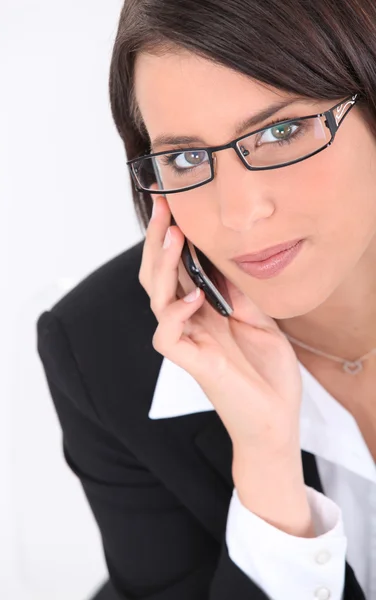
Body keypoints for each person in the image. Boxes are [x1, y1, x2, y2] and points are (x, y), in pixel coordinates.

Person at [36, 1, 376, 598]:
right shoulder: (100, 350)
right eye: (187, 158)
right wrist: (267, 470)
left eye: (281, 130)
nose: (241, 215)